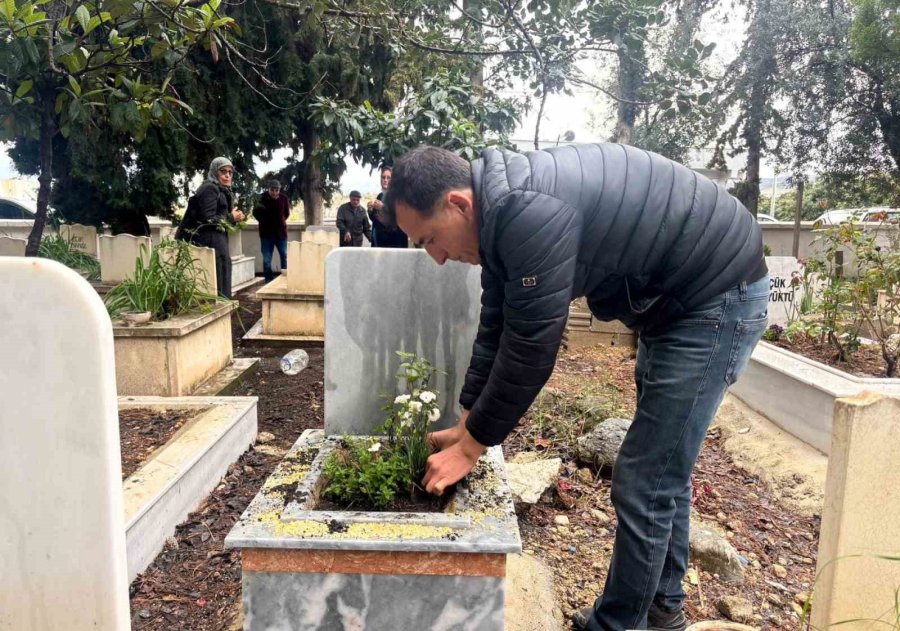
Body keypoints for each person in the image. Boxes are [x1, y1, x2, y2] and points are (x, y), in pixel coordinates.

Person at [383, 144, 768, 631]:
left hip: (714, 299)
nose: (436, 258)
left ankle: (619, 626)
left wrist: (474, 447)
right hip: (675, 304)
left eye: (430, 239)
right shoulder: (502, 214)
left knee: (645, 477)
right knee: (662, 468)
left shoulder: (525, 210)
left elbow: (532, 346)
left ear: (460, 204)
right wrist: (466, 422)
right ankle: (661, 608)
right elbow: (498, 325)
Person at [175, 157, 245, 299]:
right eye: (223, 171)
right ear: (214, 172)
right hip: (208, 240)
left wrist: (235, 218)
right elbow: (208, 218)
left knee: (222, 273)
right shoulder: (209, 188)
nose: (227, 175)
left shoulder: (221, 189)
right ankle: (220, 304)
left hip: (216, 240)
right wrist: (232, 217)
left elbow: (218, 216)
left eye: (230, 172)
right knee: (217, 276)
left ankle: (223, 305)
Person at [253, 179, 290, 283]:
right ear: (268, 189)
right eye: (272, 190)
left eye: (277, 190)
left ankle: (285, 279)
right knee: (266, 260)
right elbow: (255, 213)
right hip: (266, 235)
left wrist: (280, 221)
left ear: (279, 190)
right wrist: (264, 222)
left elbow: (286, 214)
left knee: (284, 256)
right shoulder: (261, 198)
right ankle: (268, 281)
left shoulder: (284, 198)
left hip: (281, 234)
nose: (274, 192)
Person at [367, 166, 408, 248]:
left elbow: (401, 219)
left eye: (388, 178)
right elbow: (378, 222)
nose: (385, 180)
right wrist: (371, 212)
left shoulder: (400, 197)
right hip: (379, 245)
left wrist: (383, 208)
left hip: (395, 245)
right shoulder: (380, 196)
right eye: (383, 177)